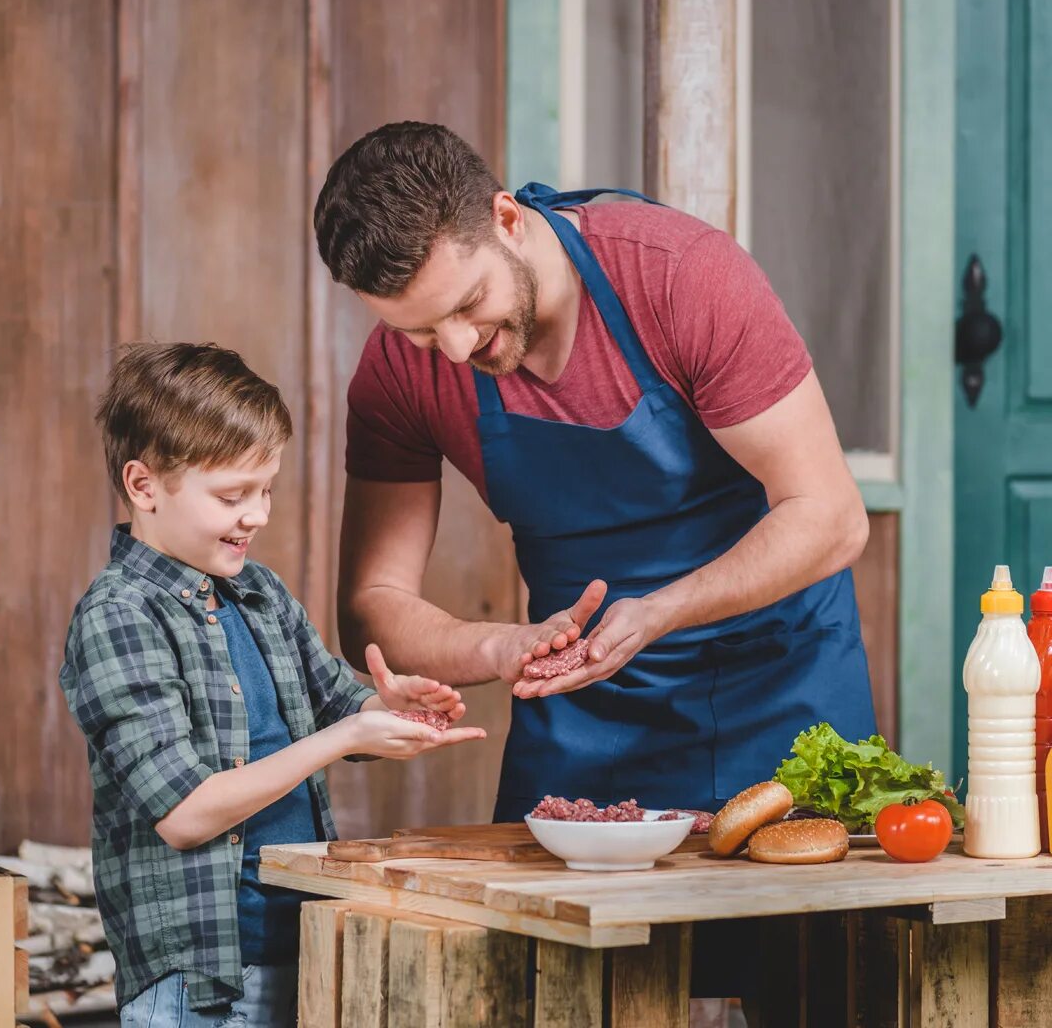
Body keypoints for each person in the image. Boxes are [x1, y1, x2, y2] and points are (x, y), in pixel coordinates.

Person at [313, 121, 877, 823]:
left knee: (805, 930)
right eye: (420, 331)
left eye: (467, 305)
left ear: (507, 219)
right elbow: (371, 601)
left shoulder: (681, 276)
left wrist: (658, 613)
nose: (454, 349)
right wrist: (498, 647)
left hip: (782, 684)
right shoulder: (397, 373)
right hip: (586, 715)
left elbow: (830, 517)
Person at [60, 342, 485, 1026]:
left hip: (298, 944)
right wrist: (346, 733)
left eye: (265, 490)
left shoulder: (257, 591)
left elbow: (334, 707)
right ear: (144, 487)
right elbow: (186, 813)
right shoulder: (119, 616)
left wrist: (390, 707)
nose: (256, 514)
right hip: (199, 975)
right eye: (232, 496)